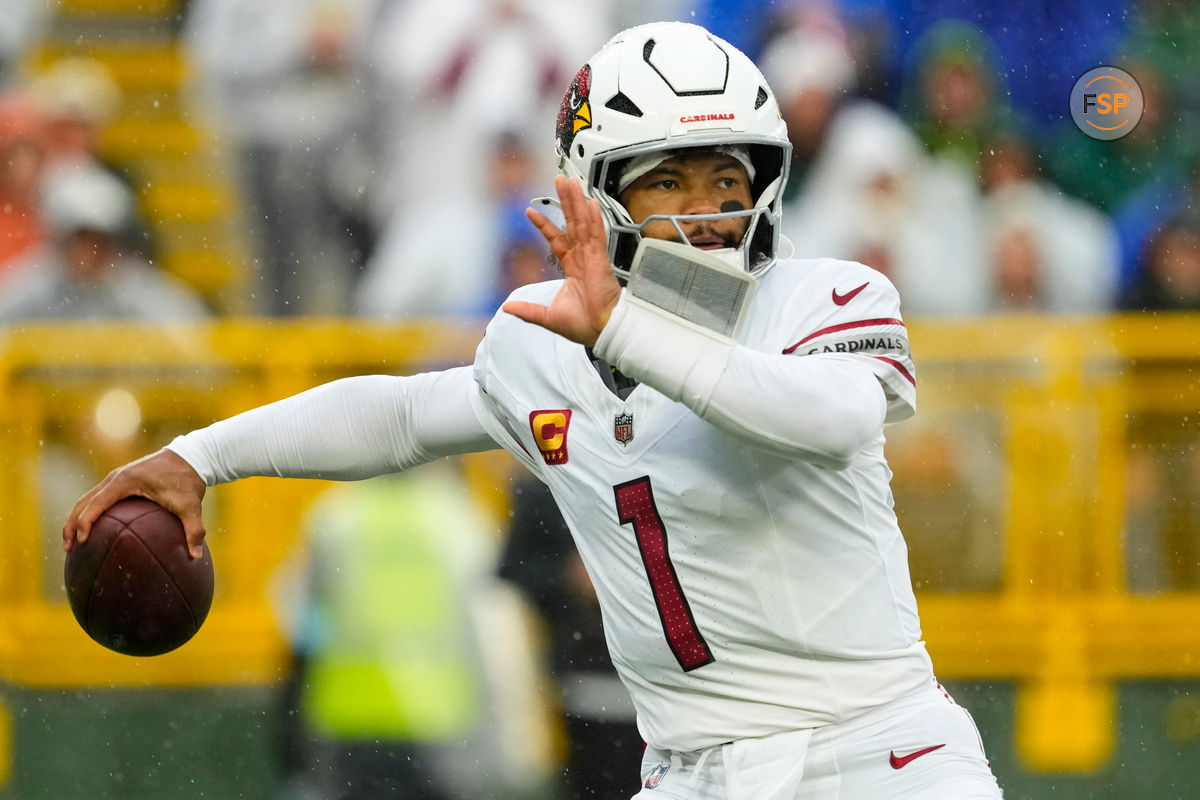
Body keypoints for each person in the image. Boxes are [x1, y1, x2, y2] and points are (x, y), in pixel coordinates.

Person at [65, 22, 1004, 799]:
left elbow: (831, 417)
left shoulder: (824, 296)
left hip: (879, 756)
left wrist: (626, 330)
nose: (708, 211)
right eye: (669, 180)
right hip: (688, 773)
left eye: (729, 178)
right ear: (593, 189)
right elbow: (400, 416)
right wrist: (199, 457)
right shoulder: (541, 346)